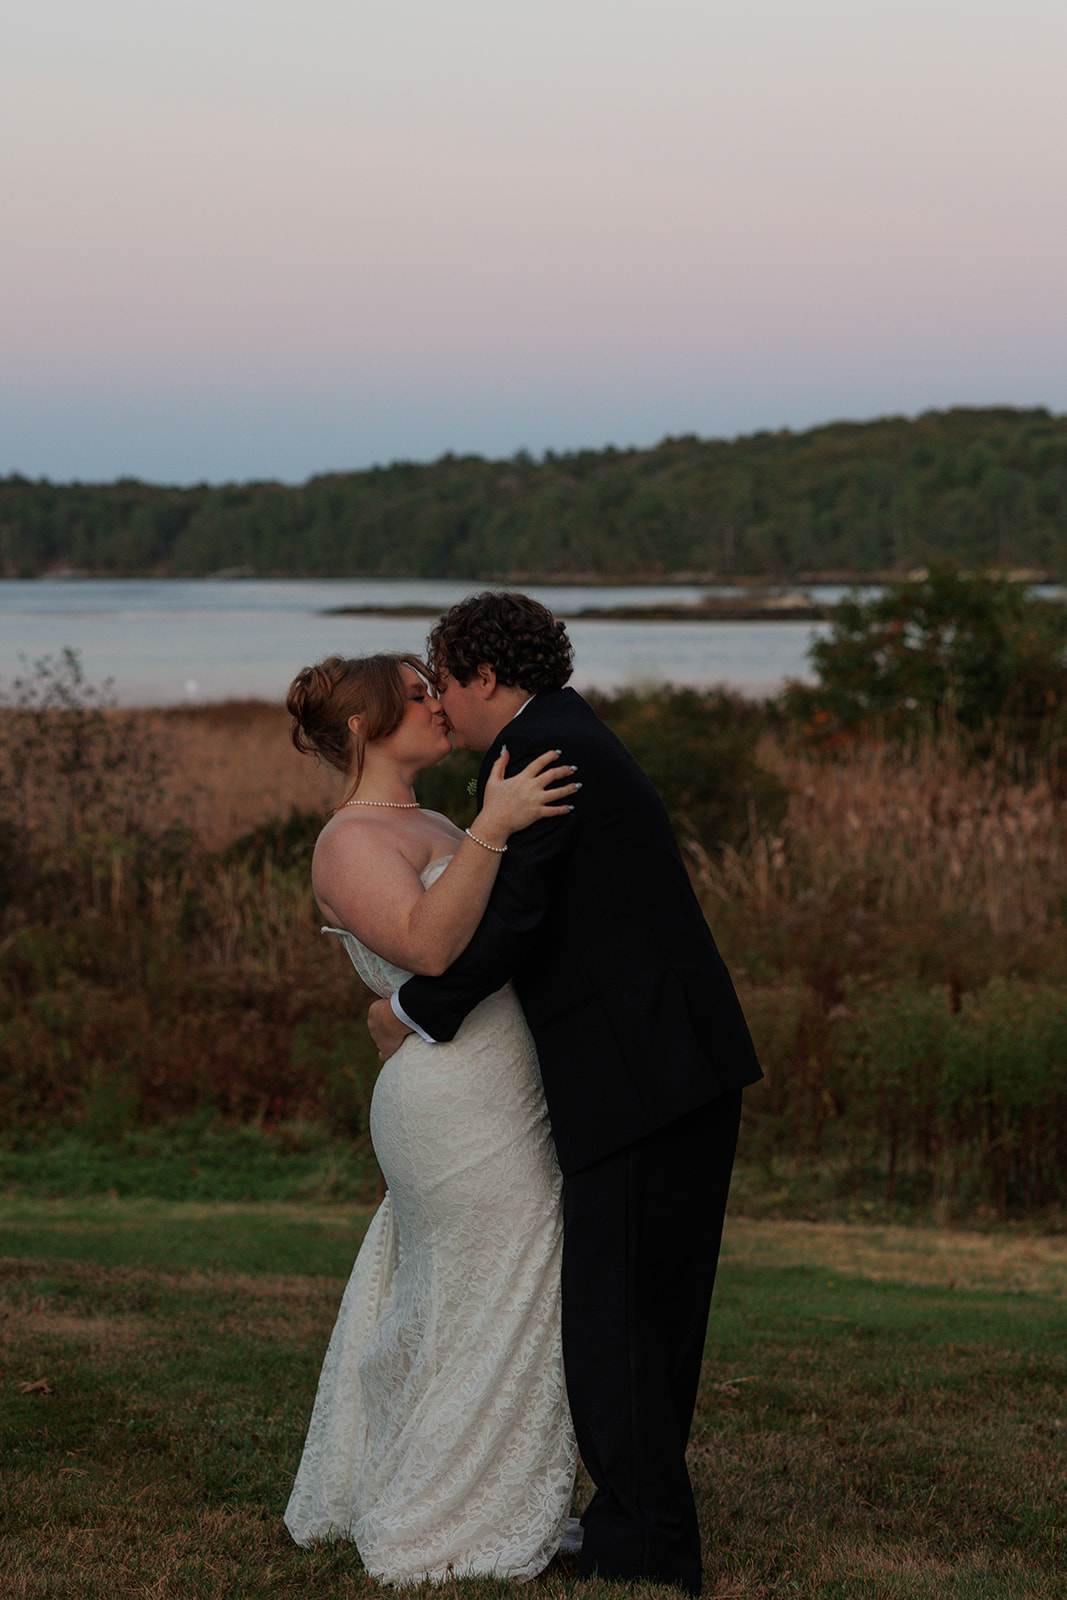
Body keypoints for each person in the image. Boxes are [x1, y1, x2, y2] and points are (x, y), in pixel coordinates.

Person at [368, 592, 764, 1596]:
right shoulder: (559, 731)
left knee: (618, 1324)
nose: (442, 702)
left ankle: (648, 1551)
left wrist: (411, 1009)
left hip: (640, 1071)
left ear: (488, 676)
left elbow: (512, 921)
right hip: (669, 1063)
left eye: (447, 679)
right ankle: (631, 1527)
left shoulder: (540, 752)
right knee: (645, 1319)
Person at [282, 651, 582, 1583]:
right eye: (416, 695)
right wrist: (493, 827)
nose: (438, 703)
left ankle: (485, 1485)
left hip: (502, 1079)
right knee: (478, 1294)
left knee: (504, 1290)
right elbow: (429, 944)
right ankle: (439, 1516)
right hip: (450, 1099)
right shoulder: (349, 840)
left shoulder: (430, 819)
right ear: (365, 727)